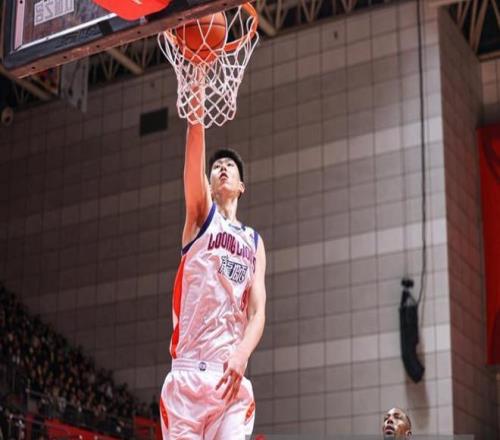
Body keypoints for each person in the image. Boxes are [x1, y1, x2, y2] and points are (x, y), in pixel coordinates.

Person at [159, 89, 267, 439]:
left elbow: (257, 313)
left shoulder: (254, 242)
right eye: (216, 166)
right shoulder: (199, 217)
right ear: (208, 183)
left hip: (229, 379)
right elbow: (194, 155)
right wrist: (196, 99)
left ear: (241, 186)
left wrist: (242, 354)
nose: (222, 168)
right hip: (188, 377)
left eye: (229, 166)